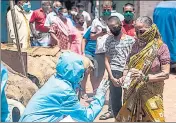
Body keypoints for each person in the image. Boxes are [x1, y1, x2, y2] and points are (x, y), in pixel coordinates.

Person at [19, 51, 110, 122]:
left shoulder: (57, 80)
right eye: (83, 72)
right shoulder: (64, 91)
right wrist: (100, 94)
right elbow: (86, 117)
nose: (83, 75)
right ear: (76, 72)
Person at [115, 16, 170, 122]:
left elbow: (166, 74)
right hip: (132, 92)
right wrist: (124, 76)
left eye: (142, 31)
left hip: (152, 95)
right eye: (136, 32)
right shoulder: (135, 45)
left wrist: (145, 78)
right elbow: (127, 64)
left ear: (151, 29)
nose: (139, 35)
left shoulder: (161, 47)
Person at [104, 16, 135, 118]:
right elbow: (107, 60)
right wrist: (112, 77)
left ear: (120, 25)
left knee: (128, 97)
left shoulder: (130, 41)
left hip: (127, 71)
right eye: (110, 27)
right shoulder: (108, 40)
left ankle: (127, 117)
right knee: (115, 98)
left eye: (114, 27)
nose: (112, 30)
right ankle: (117, 117)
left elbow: (132, 59)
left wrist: (126, 73)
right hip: (114, 71)